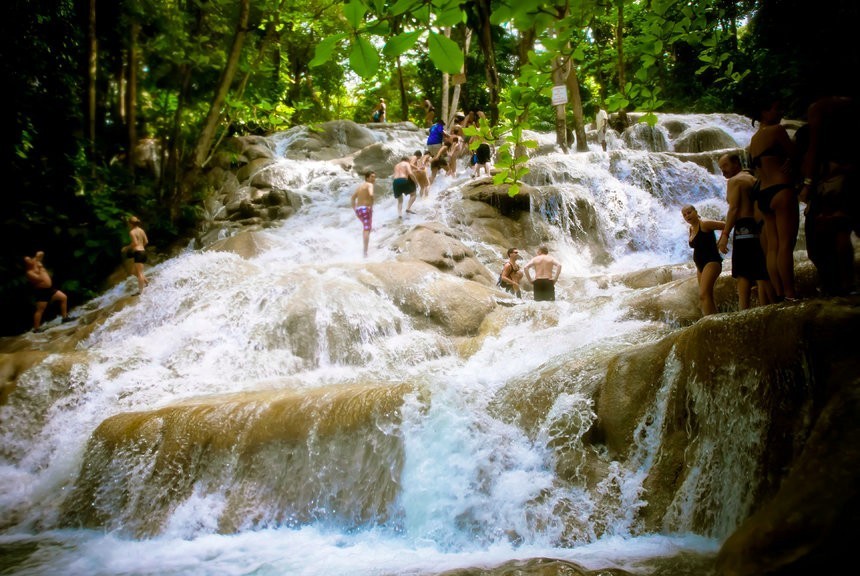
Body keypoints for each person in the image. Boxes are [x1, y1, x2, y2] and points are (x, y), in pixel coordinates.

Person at [798, 96, 858, 296]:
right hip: (845, 177)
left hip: (829, 180)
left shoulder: (820, 110)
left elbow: (813, 150)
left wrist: (807, 183)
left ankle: (834, 284)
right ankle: (846, 283)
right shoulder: (847, 111)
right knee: (841, 229)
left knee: (828, 231)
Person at [748, 98, 800, 302]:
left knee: (772, 247)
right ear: (764, 112)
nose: (781, 112)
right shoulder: (777, 130)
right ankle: (790, 292)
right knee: (786, 244)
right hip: (781, 190)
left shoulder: (753, 140)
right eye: (776, 109)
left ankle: (779, 292)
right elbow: (796, 154)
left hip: (764, 195)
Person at [717, 153, 774, 309]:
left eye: (725, 166)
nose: (723, 171)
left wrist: (725, 235)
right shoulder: (753, 179)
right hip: (758, 226)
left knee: (742, 272)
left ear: (736, 163)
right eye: (720, 168)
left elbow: (734, 209)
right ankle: (770, 305)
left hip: (743, 227)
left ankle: (743, 311)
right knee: (760, 268)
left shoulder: (734, 181)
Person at [681, 204, 725, 316]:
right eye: (684, 215)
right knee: (706, 296)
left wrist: (722, 241)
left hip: (711, 261)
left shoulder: (704, 223)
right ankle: (714, 319)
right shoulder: (691, 228)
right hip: (700, 265)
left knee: (703, 294)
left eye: (689, 212)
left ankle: (712, 321)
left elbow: (726, 225)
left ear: (696, 212)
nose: (687, 216)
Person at [23, 250, 72, 332]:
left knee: (63, 297)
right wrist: (40, 268)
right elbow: (40, 279)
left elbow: (41, 253)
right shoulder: (29, 272)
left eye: (29, 259)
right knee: (40, 310)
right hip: (42, 292)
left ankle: (65, 317)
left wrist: (37, 257)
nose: (29, 261)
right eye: (27, 261)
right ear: (26, 264)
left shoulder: (36, 262)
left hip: (50, 289)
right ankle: (36, 328)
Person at [351, 171, 376, 257]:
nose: (374, 179)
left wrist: (355, 209)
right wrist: (371, 206)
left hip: (359, 210)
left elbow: (352, 198)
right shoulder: (370, 185)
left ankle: (366, 248)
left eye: (374, 177)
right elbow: (371, 194)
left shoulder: (360, 187)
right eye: (372, 177)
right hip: (365, 209)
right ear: (367, 178)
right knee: (366, 229)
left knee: (368, 227)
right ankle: (365, 253)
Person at [122, 216, 149, 294]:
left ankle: (140, 291)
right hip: (143, 252)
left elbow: (135, 243)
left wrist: (126, 248)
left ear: (130, 224)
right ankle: (146, 282)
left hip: (138, 253)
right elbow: (146, 241)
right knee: (133, 271)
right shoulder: (141, 230)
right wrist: (141, 247)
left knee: (139, 273)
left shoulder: (132, 232)